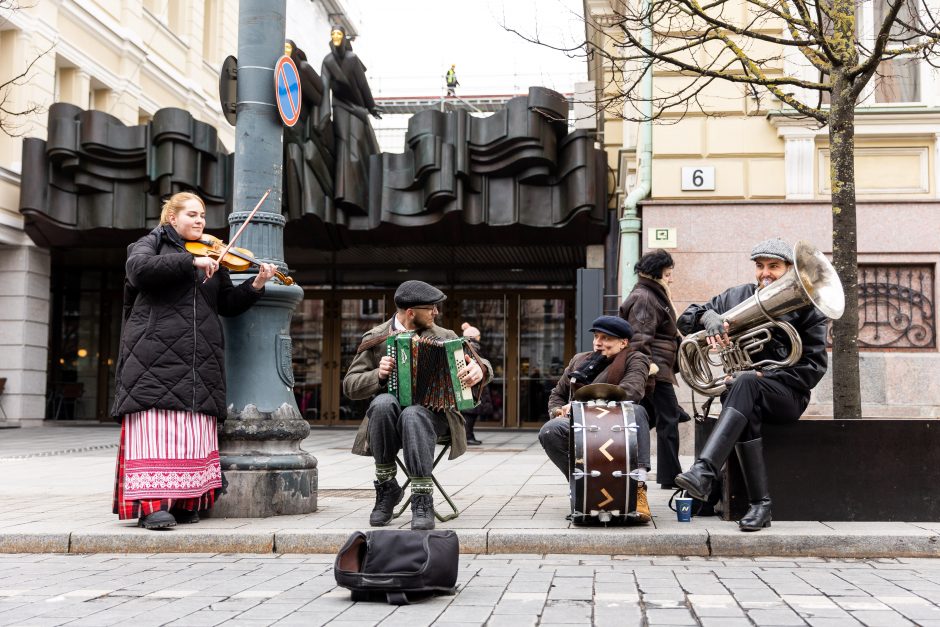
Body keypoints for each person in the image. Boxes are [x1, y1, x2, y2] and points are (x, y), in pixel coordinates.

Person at [111, 192, 278, 530]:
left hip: (198, 357)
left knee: (190, 432)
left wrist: (257, 285)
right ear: (172, 218)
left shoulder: (213, 253)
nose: (200, 220)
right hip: (153, 355)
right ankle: (152, 506)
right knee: (156, 431)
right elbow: (138, 270)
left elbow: (227, 304)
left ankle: (186, 501)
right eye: (191, 214)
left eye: (202, 215)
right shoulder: (151, 244)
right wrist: (190, 262)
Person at [674, 237, 829, 531]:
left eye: (774, 266)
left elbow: (813, 368)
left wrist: (766, 376)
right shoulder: (737, 296)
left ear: (790, 270)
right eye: (760, 266)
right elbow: (686, 319)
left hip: (787, 395)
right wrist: (708, 317)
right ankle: (760, 506)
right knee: (744, 393)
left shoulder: (809, 307)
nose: (765, 273)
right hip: (744, 395)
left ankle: (704, 472)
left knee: (744, 381)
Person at [343, 280, 493, 530]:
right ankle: (387, 489)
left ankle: (422, 497)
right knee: (382, 403)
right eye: (431, 308)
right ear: (411, 312)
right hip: (387, 425)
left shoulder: (445, 337)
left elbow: (482, 363)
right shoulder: (376, 337)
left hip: (435, 420)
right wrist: (377, 376)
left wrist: (480, 369)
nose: (436, 312)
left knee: (413, 414)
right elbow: (350, 385)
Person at [538, 315, 654, 524]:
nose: (598, 343)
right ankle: (581, 486)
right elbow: (557, 394)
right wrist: (557, 411)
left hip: (615, 426)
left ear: (623, 342)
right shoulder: (579, 360)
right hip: (580, 426)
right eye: (596, 337)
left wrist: (579, 407)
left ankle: (638, 487)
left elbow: (632, 391)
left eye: (606, 338)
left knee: (637, 411)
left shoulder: (635, 359)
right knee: (550, 430)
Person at [619, 249, 687, 489]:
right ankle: (671, 477)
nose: (671, 279)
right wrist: (648, 375)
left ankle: (617, 455)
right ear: (657, 274)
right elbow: (639, 340)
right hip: (654, 372)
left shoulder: (650, 294)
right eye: (668, 274)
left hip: (656, 370)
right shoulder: (647, 298)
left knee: (647, 418)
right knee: (668, 421)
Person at [317, 24, 382, 213]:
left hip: (358, 108)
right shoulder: (327, 61)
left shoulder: (353, 59)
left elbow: (363, 86)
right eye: (333, 34)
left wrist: (371, 107)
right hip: (340, 106)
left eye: (338, 33)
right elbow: (324, 88)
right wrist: (323, 116)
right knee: (344, 143)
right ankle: (344, 194)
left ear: (344, 38)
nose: (335, 36)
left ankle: (359, 195)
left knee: (356, 145)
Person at [460, 322, 492, 445]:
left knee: (470, 412)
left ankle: (469, 435)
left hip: (471, 382)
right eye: (478, 335)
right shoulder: (474, 346)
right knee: (470, 412)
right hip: (474, 384)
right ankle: (468, 436)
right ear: (475, 336)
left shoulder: (466, 345)